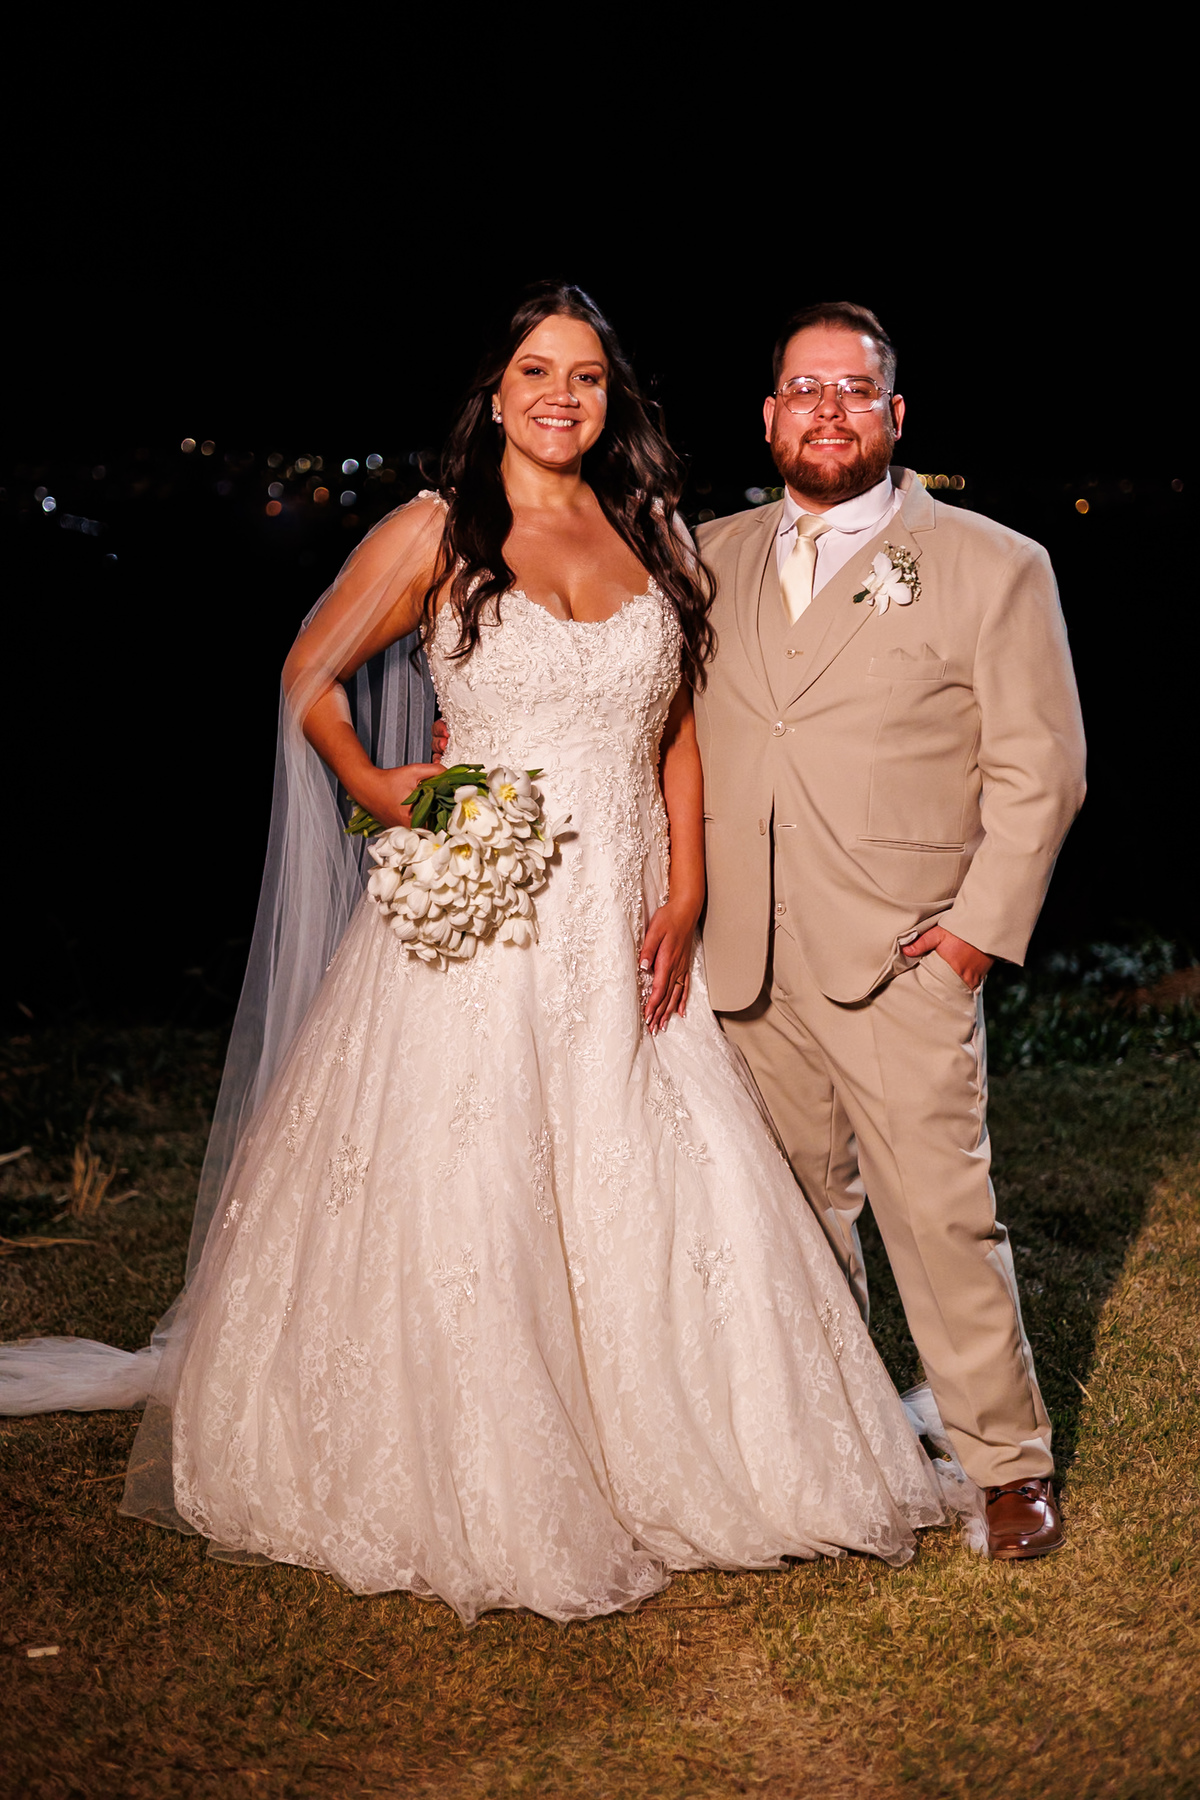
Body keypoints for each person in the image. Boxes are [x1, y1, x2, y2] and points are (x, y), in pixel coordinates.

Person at [94, 283, 962, 1623]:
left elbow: (677, 729)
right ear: (495, 396)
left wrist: (684, 896)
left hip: (628, 918)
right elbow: (307, 674)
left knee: (657, 1168)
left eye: (588, 376)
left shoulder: (649, 528)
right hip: (481, 926)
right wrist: (388, 792)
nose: (564, 395)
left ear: (613, 401)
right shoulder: (435, 532)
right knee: (471, 1178)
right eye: (538, 372)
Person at [694, 301, 1087, 1561]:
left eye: (854, 390)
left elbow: (1042, 770)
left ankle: (1008, 1463)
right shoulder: (705, 557)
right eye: (805, 391)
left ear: (895, 414)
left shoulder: (993, 563)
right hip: (744, 954)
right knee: (790, 1213)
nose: (829, 411)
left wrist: (973, 935)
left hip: (905, 953)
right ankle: (836, 1436)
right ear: (769, 416)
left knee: (941, 1216)